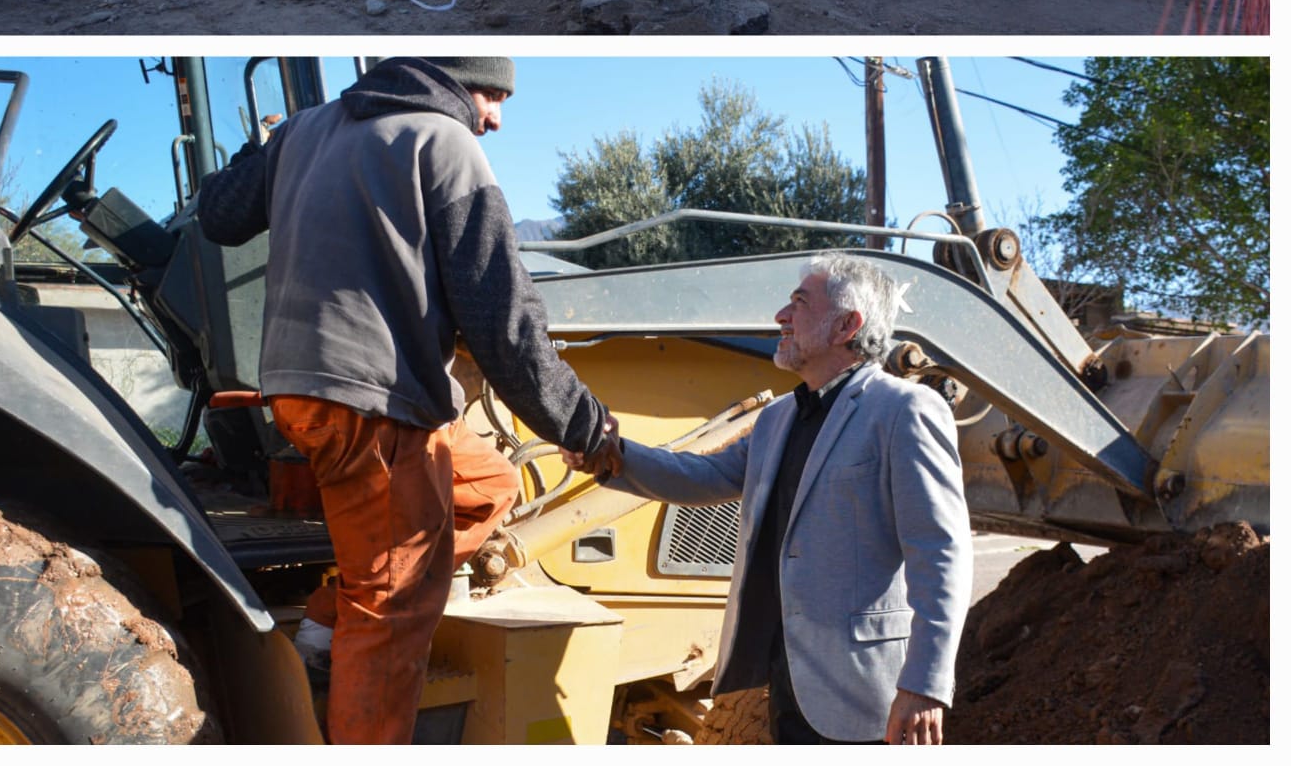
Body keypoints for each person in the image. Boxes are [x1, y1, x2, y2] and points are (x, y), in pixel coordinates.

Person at [242, 57, 621, 745]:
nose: (496, 115)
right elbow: (505, 321)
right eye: (490, 93)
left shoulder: (300, 132)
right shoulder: (444, 143)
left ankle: (329, 612)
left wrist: (270, 148)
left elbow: (219, 213)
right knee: (394, 613)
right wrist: (585, 426)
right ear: (447, 81)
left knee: (491, 484)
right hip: (376, 406)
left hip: (299, 392)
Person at [571, 252, 971, 745]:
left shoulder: (905, 410)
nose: (781, 316)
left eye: (799, 304)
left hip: (870, 693)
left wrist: (926, 685)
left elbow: (941, 553)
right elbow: (702, 476)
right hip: (789, 682)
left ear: (847, 325)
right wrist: (611, 456)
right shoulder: (777, 418)